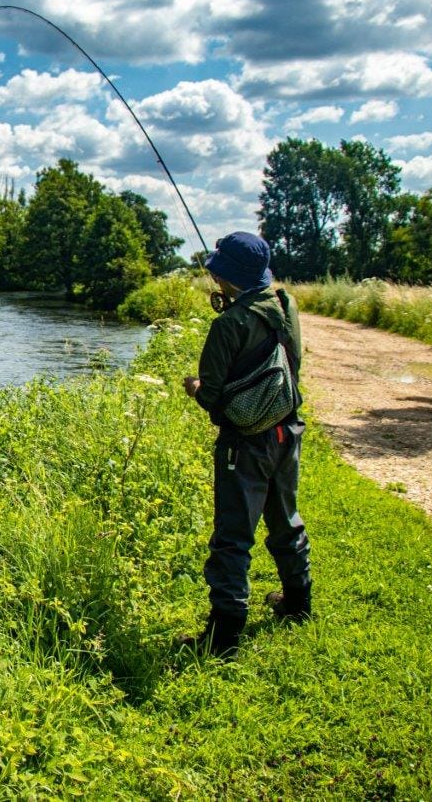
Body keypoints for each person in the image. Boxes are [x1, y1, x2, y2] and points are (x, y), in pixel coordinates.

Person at [180, 231, 311, 657]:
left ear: (227, 276)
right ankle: (297, 604)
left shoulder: (228, 325)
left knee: (233, 538)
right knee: (285, 520)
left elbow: (213, 397)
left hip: (244, 445)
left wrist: (195, 387)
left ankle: (223, 639)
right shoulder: (285, 306)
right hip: (287, 432)